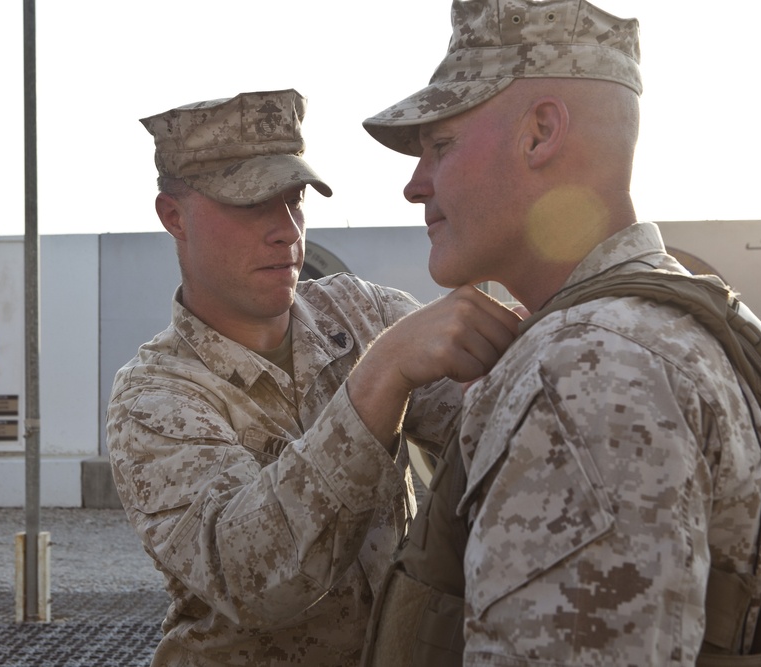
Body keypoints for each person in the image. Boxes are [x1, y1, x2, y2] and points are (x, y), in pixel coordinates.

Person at [362, 1, 761, 664]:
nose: (415, 184)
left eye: (441, 146)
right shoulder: (689, 318)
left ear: (539, 133)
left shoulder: (587, 371)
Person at [105, 89, 521, 667]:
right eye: (250, 203)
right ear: (174, 217)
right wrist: (379, 378)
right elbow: (254, 580)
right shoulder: (156, 396)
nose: (285, 229)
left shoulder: (362, 314)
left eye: (293, 198)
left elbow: (499, 436)